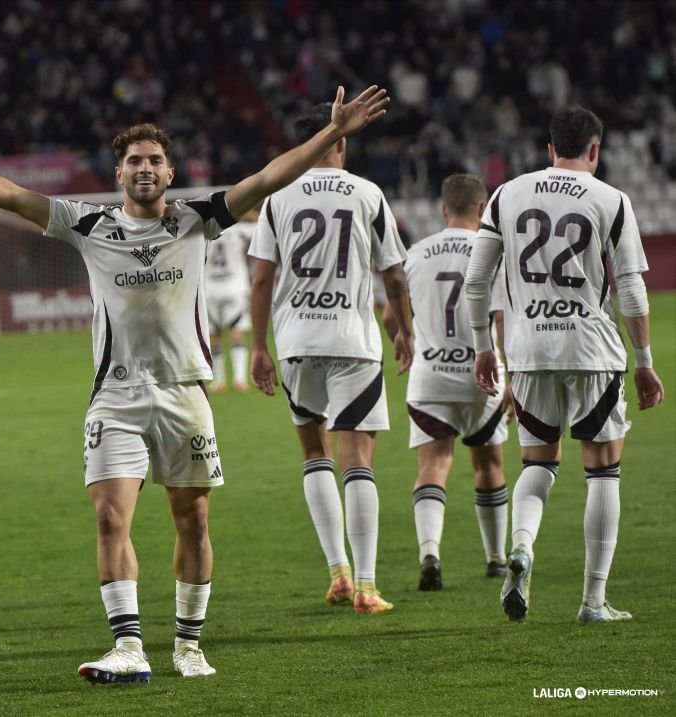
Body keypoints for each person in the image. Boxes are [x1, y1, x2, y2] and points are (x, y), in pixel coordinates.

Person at [0, 84, 390, 680]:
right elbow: (11, 196)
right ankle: (127, 646)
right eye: (134, 161)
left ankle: (188, 644)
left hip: (184, 394)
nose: (144, 169)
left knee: (193, 522)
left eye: (154, 160)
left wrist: (331, 134)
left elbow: (270, 177)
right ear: (118, 173)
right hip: (115, 399)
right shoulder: (87, 223)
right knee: (108, 517)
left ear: (169, 171)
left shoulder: (199, 219)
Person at [464, 106, 665, 624]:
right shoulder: (611, 199)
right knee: (603, 471)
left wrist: (484, 346)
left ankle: (523, 547)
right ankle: (592, 602)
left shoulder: (507, 194)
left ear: (549, 147)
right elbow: (633, 291)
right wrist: (644, 361)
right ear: (594, 150)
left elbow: (476, 282)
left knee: (537, 462)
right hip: (592, 350)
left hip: (528, 351)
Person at [249, 102, 414, 614]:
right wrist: (405, 330)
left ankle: (338, 573)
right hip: (353, 341)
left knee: (314, 453)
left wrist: (258, 346)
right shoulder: (368, 193)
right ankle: (366, 586)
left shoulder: (277, 198)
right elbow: (394, 274)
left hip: (297, 342)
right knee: (358, 459)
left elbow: (260, 278)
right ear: (340, 141)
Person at [383, 173, 510, 591]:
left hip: (430, 377)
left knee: (433, 464)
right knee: (488, 464)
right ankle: (495, 558)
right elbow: (503, 316)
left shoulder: (416, 253)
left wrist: (405, 342)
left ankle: (430, 554)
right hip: (483, 378)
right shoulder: (491, 251)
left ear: (443, 209)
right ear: (482, 209)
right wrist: (511, 369)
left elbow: (390, 316)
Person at [205, 208, 257, 392]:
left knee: (215, 336)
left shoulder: (204, 231)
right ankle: (240, 379)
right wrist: (248, 212)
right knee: (237, 333)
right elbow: (263, 227)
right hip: (235, 288)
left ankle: (219, 381)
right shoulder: (238, 229)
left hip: (210, 288)